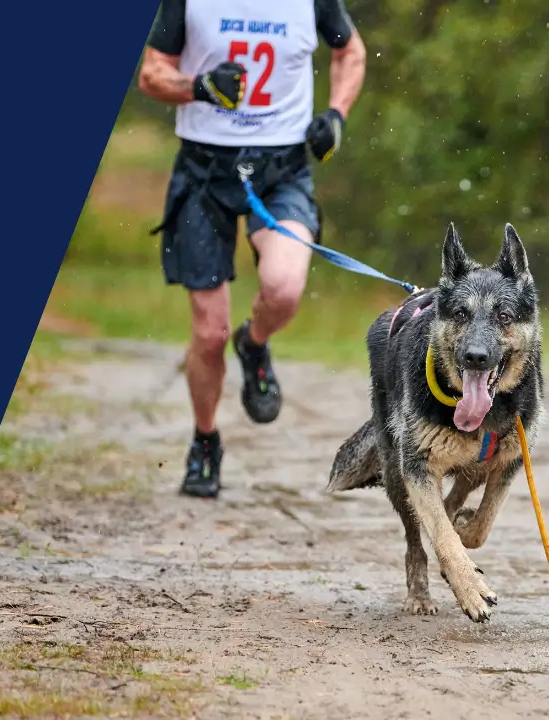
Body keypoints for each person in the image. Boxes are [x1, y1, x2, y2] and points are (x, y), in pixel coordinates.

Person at [138, 0, 367, 499]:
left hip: (282, 169)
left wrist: (335, 116)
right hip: (204, 170)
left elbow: (350, 52)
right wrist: (197, 87)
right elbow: (152, 73)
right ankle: (205, 439)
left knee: (284, 288)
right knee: (208, 331)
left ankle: (256, 341)